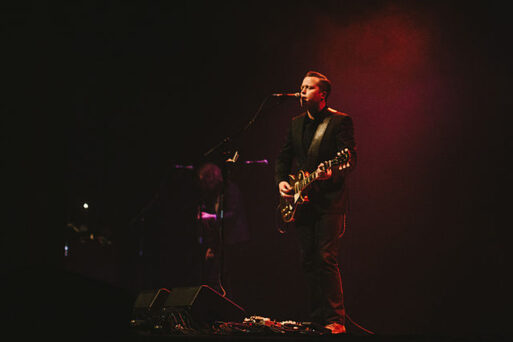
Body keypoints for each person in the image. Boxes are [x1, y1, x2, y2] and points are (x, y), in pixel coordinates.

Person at [275, 71, 356, 334]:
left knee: (325, 258)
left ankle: (336, 320)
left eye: (308, 88)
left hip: (330, 203)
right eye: (301, 87)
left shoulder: (339, 121)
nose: (302, 91)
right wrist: (281, 183)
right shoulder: (296, 123)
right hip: (303, 201)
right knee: (307, 260)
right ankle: (317, 320)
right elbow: (283, 158)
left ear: (322, 94)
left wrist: (331, 171)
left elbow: (350, 158)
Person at [196, 162, 250, 298]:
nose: (205, 185)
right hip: (225, 244)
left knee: (232, 281)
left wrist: (212, 217)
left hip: (235, 243)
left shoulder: (230, 190)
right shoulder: (217, 194)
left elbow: (233, 215)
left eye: (206, 179)